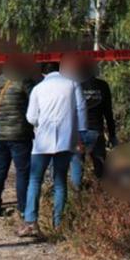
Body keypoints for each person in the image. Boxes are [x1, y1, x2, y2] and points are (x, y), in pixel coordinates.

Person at [18, 54, 87, 237]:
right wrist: (80, 135)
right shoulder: (73, 85)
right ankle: (58, 223)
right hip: (67, 142)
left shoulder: (39, 89)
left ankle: (31, 222)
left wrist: (41, 122)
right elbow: (81, 109)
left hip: (42, 143)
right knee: (60, 182)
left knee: (34, 181)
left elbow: (31, 117)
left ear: (42, 73)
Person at [0, 55, 36, 219]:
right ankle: (22, 208)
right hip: (20, 134)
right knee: (22, 172)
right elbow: (34, 103)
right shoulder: (24, 82)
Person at [69, 59, 118, 188]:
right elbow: (108, 113)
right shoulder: (102, 86)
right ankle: (100, 196)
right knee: (100, 167)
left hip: (77, 133)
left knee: (77, 164)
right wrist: (112, 135)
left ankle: (77, 196)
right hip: (96, 132)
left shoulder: (72, 86)